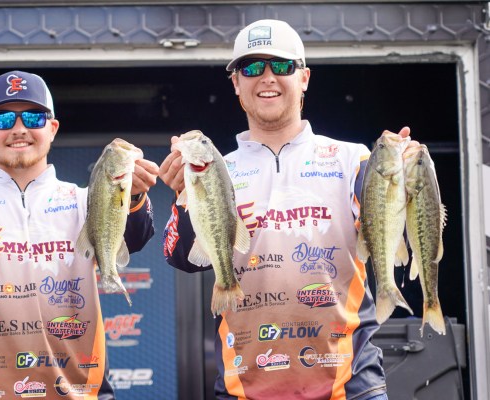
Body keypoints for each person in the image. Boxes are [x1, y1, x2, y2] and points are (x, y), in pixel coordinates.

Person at [159, 20, 406, 400]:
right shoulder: (216, 169)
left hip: (351, 385)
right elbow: (182, 258)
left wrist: (408, 179)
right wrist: (183, 196)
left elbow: (392, 233)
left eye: (281, 65)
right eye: (251, 68)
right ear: (236, 83)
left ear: (304, 77)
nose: (267, 77)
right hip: (244, 386)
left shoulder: (353, 158)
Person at [0, 70, 159, 399]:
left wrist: (132, 196)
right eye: (3, 118)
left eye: (34, 117)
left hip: (78, 391)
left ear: (52, 128)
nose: (19, 128)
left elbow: (136, 236)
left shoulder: (85, 199)